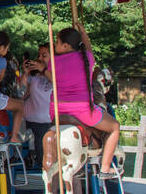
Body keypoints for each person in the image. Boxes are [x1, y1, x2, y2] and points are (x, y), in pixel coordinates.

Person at [44, 26, 121, 180]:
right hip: (82, 110)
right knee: (114, 127)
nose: (55, 45)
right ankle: (105, 168)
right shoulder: (86, 58)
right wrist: (83, 32)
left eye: (57, 42)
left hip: (57, 110)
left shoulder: (53, 61)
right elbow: (89, 49)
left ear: (66, 46)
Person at [21, 44, 54, 168]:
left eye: (44, 55)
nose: (40, 58)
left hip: (45, 122)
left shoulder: (56, 75)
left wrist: (44, 70)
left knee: (42, 147)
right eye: (39, 55)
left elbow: (57, 83)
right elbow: (22, 94)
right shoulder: (35, 77)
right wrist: (25, 73)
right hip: (28, 120)